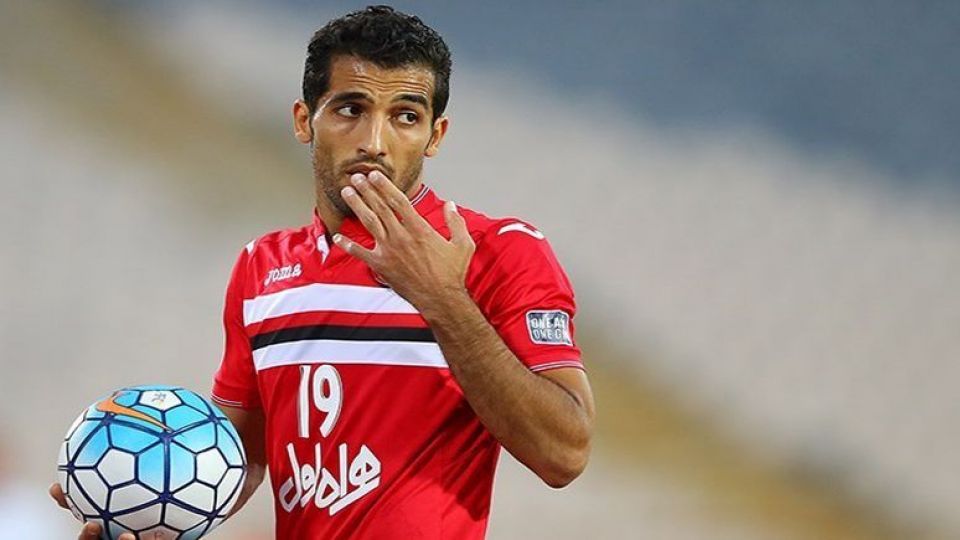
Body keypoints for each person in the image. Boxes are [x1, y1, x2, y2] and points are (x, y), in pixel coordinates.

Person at [52, 5, 594, 538]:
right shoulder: (261, 266)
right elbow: (237, 461)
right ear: (303, 120)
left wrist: (443, 299)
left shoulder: (498, 251)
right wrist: (132, 498)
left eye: (406, 116)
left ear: (436, 135)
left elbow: (564, 454)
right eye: (350, 109)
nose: (374, 142)